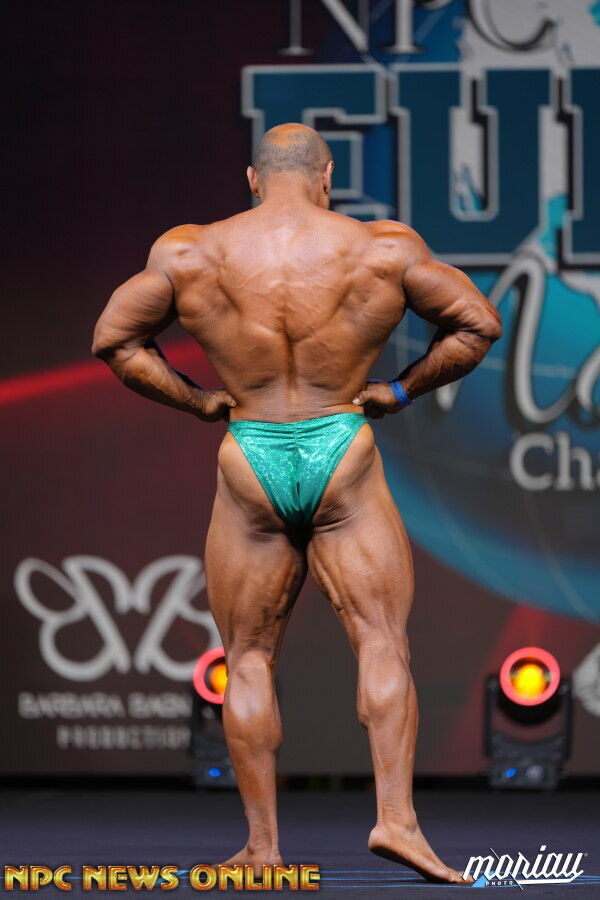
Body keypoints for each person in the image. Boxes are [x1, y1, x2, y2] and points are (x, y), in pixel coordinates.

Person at [92, 123, 502, 884]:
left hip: (249, 451)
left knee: (247, 658)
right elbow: (478, 324)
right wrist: (401, 389)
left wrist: (198, 401)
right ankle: (396, 821)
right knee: (382, 642)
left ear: (252, 178)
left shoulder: (190, 252)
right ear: (327, 176)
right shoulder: (382, 248)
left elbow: (115, 340)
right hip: (342, 445)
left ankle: (262, 848)